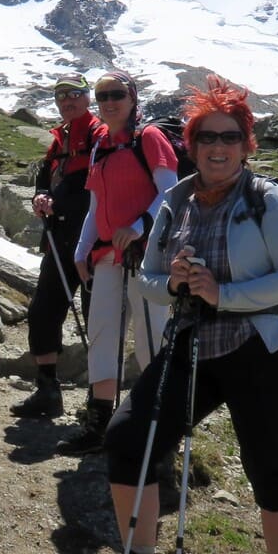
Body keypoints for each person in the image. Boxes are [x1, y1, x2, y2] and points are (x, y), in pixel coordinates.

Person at [66, 75, 278, 554]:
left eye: (230, 137)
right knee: (128, 439)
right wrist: (175, 284)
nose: (217, 147)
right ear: (192, 144)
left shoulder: (267, 199)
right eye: (206, 137)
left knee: (272, 471)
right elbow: (149, 279)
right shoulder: (176, 201)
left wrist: (223, 294)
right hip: (194, 342)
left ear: (247, 144)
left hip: (263, 350)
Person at [63, 70, 180, 454]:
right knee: (102, 333)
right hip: (108, 256)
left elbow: (171, 193)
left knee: (151, 338)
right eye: (103, 96)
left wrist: (139, 225)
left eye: (117, 94)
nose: (109, 102)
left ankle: (158, 430)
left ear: (132, 98)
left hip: (147, 256)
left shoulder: (150, 137)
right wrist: (82, 249)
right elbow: (96, 205)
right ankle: (100, 422)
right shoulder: (101, 144)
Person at [13, 74, 104, 419]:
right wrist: (42, 195)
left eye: (74, 94)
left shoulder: (100, 135)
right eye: (61, 96)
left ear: (87, 97)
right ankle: (47, 389)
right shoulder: (60, 138)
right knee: (43, 312)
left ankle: (99, 400)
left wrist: (60, 202)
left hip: (95, 242)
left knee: (98, 319)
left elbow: (101, 185)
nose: (67, 101)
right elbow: (46, 177)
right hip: (60, 238)